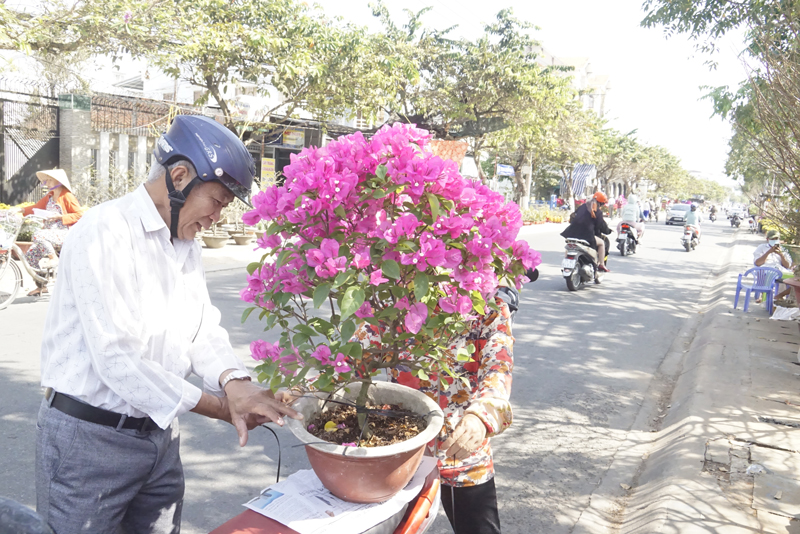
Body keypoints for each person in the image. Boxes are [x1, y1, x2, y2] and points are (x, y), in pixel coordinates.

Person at [35, 115, 302, 534]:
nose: (217, 217)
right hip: (89, 442)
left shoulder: (184, 241)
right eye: (216, 202)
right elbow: (120, 361)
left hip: (159, 438)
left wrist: (236, 383)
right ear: (179, 177)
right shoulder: (106, 233)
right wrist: (222, 407)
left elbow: (200, 328)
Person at [353, 290, 515, 534]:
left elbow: (499, 366)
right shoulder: (393, 301)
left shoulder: (489, 305)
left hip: (463, 445)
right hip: (402, 448)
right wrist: (297, 389)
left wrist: (481, 416)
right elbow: (346, 358)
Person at [16, 169, 85, 296]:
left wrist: (60, 217)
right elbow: (34, 208)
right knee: (30, 256)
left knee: (38, 234)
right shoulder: (49, 197)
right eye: (45, 181)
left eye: (49, 180)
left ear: (58, 181)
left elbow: (80, 215)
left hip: (63, 233)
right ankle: (41, 286)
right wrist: (18, 209)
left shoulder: (67, 196)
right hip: (49, 235)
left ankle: (53, 258)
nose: (46, 183)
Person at [561, 192, 612, 271]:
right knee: (601, 243)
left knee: (569, 246)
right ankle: (601, 264)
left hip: (571, 233)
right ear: (601, 203)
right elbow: (600, 226)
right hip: (586, 235)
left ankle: (566, 264)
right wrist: (608, 231)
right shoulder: (597, 212)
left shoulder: (582, 207)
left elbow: (573, 217)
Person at [754, 229, 794, 301]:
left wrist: (781, 255)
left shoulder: (783, 249)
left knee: (790, 277)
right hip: (766, 269)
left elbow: (787, 266)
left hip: (779, 270)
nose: (775, 240)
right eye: (772, 239)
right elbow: (757, 263)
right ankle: (764, 297)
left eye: (776, 239)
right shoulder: (762, 247)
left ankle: (779, 296)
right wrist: (768, 252)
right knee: (767, 273)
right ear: (767, 239)